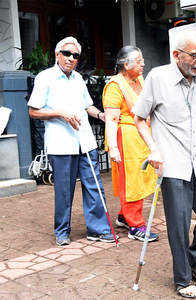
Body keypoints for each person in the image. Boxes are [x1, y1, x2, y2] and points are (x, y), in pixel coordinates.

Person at [134, 28, 196, 299]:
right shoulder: (157, 78)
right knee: (179, 224)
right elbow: (139, 118)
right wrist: (154, 149)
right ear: (177, 54)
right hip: (173, 164)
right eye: (194, 55)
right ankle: (183, 279)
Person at [28, 37, 116, 246]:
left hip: (85, 141)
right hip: (61, 143)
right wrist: (61, 114)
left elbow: (87, 106)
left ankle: (98, 230)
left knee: (94, 186)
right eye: (67, 54)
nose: (71, 58)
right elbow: (33, 111)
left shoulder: (77, 78)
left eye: (75, 55)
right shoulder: (45, 77)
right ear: (57, 55)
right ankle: (62, 231)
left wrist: (101, 115)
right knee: (64, 190)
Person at [102, 46, 158, 242]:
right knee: (131, 180)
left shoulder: (139, 80)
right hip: (125, 138)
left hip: (140, 138)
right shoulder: (114, 85)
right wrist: (113, 148)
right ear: (126, 65)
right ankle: (135, 225)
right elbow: (111, 118)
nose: (143, 64)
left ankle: (123, 215)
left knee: (140, 178)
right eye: (139, 61)